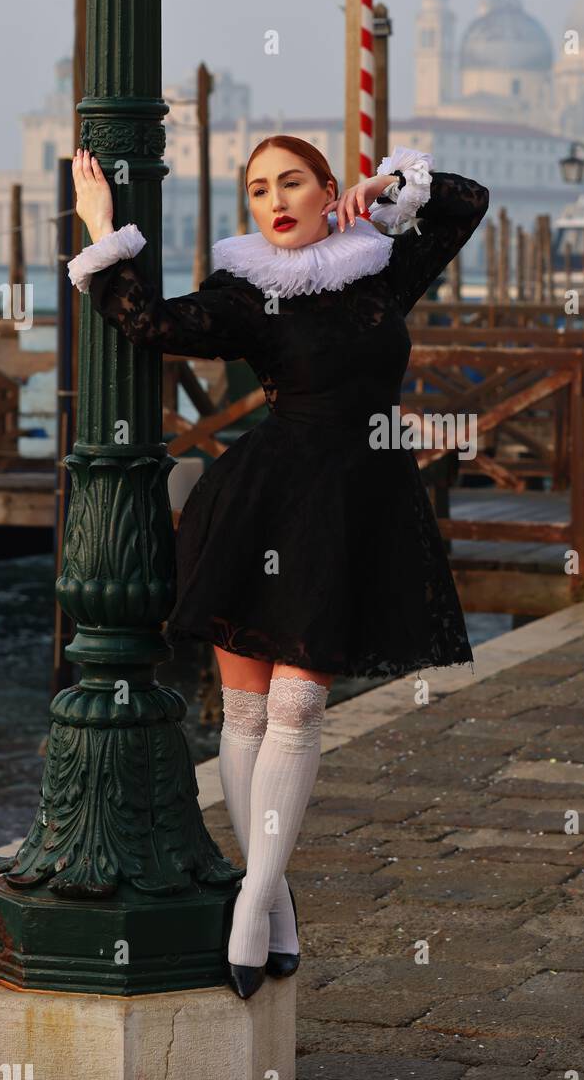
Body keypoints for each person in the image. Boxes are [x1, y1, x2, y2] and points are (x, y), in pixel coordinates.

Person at [70, 139, 489, 999]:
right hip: (260, 501)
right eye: (258, 189)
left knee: (301, 705)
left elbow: (464, 204)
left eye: (291, 181)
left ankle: (254, 899)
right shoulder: (245, 290)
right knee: (248, 714)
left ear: (328, 190)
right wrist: (100, 228)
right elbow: (147, 324)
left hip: (356, 505)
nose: (275, 200)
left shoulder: (379, 268)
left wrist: (389, 188)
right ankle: (271, 899)